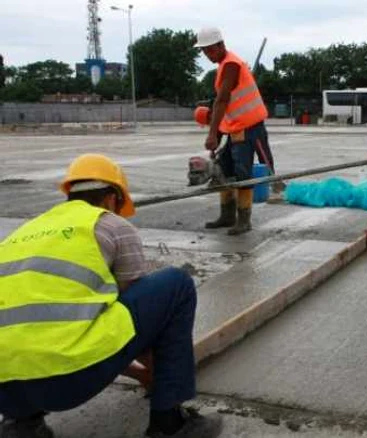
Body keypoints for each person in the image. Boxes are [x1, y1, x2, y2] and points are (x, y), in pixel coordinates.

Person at [0, 154, 222, 438]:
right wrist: (163, 371)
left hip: (4, 390)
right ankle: (170, 424)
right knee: (176, 284)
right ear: (111, 198)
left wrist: (139, 374)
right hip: (67, 382)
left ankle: (20, 425)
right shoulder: (111, 225)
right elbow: (132, 326)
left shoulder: (26, 230)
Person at [195, 27, 275, 234]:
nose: (207, 55)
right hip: (237, 129)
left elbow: (222, 101)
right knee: (225, 170)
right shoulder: (223, 66)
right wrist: (218, 134)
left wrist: (212, 134)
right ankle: (228, 215)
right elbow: (226, 109)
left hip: (250, 128)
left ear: (221, 45)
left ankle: (244, 219)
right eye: (204, 52)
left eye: (210, 50)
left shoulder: (231, 64)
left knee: (243, 174)